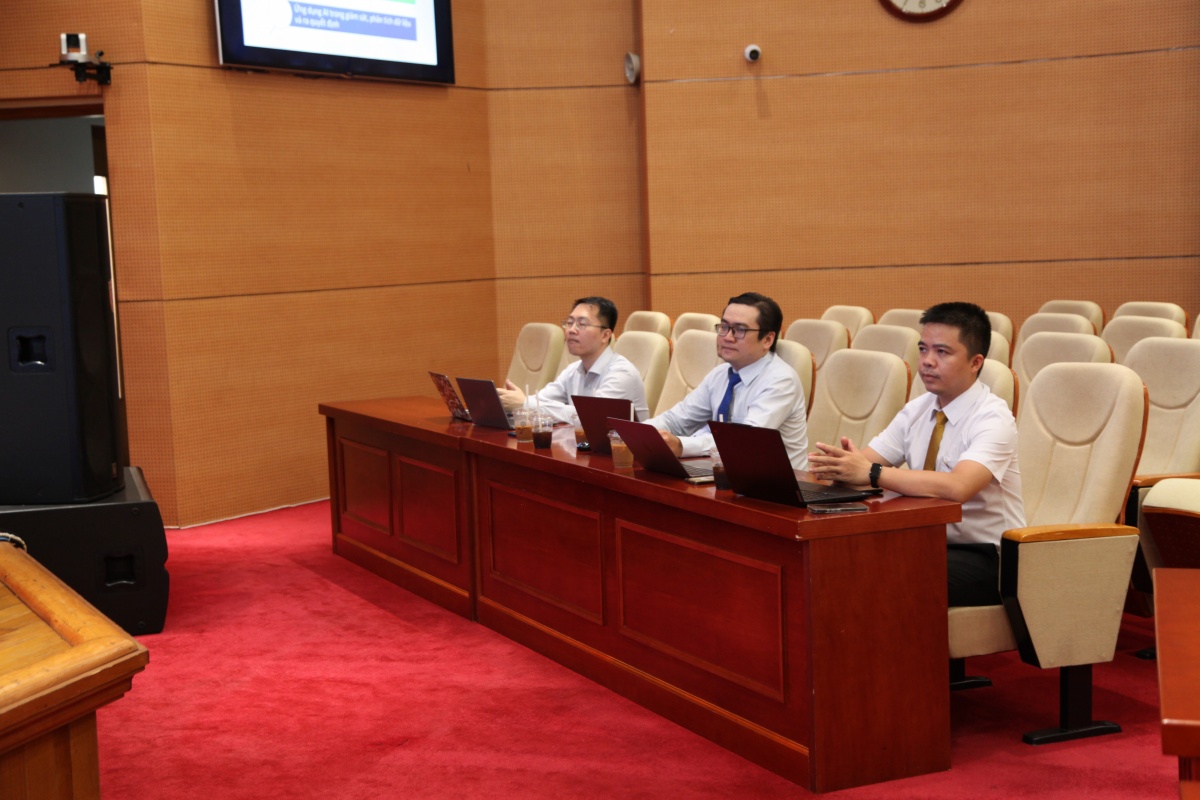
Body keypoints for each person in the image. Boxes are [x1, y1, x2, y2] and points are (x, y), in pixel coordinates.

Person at [807, 301, 1024, 607]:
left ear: (976, 362)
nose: (927, 362)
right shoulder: (917, 409)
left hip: (987, 556)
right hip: (923, 539)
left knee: (887, 577)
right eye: (923, 349)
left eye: (942, 352)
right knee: (836, 560)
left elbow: (958, 487)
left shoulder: (993, 418)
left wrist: (870, 472)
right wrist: (838, 467)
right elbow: (867, 462)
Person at [647, 292, 809, 468]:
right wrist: (640, 432)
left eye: (740, 330)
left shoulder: (781, 381)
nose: (727, 337)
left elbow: (743, 441)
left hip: (774, 481)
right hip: (724, 472)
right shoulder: (720, 374)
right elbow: (677, 420)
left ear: (767, 339)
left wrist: (681, 445)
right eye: (724, 327)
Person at [497, 297, 649, 423]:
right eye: (569, 323)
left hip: (623, 450)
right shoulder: (572, 370)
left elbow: (590, 418)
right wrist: (509, 401)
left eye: (581, 324)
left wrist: (525, 404)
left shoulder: (621, 374)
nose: (571, 330)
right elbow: (541, 401)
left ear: (605, 335)